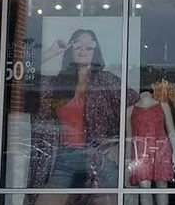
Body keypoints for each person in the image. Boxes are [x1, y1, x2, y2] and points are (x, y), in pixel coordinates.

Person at [28, 29, 135, 195]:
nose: (83, 49)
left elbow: (133, 106)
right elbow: (22, 76)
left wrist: (122, 145)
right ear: (70, 50)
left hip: (101, 157)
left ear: (95, 51)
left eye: (89, 46)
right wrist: (52, 52)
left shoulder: (106, 80)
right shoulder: (58, 83)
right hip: (66, 156)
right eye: (77, 45)